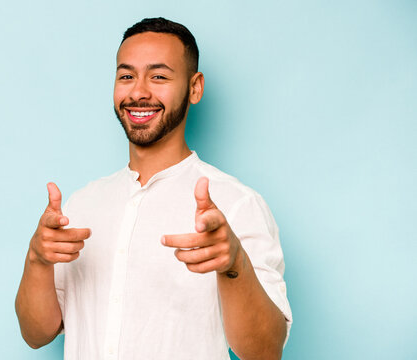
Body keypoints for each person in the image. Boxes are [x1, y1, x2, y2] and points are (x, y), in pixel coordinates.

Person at [15, 17, 292, 360]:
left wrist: (234, 263)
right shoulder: (81, 204)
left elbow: (266, 352)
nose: (138, 92)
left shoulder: (237, 205)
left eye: (159, 76)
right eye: (126, 75)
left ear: (195, 88)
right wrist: (37, 259)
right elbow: (36, 334)